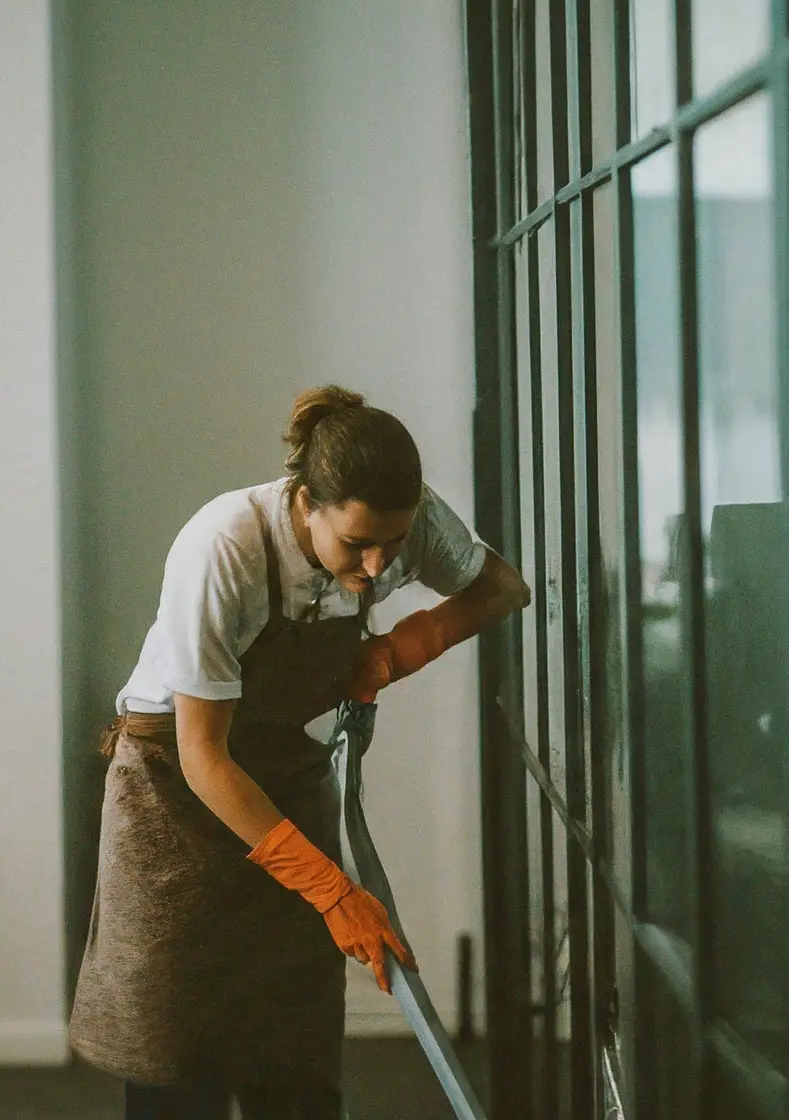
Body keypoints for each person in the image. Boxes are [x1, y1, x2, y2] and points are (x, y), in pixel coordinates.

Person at [69, 385, 531, 1120]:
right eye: (356, 544)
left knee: (292, 1043)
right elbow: (204, 758)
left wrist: (396, 654)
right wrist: (332, 890)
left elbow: (502, 589)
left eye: (394, 540)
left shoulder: (405, 525)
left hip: (282, 771)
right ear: (305, 501)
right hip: (173, 792)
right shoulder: (225, 545)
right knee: (176, 1044)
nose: (379, 565)